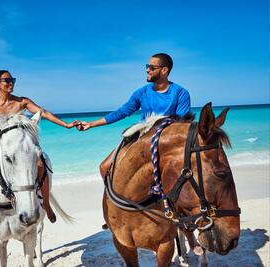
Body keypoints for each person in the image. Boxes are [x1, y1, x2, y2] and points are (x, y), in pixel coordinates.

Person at [77, 53, 203, 255]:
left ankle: (185, 229)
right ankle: (111, 213)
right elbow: (122, 111)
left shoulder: (180, 93)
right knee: (104, 166)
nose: (147, 70)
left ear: (164, 70)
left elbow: (183, 123)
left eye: (151, 67)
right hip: (141, 138)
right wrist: (92, 124)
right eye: (147, 66)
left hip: (166, 142)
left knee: (179, 178)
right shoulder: (142, 92)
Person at [0, 70, 80, 235]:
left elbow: (43, 113)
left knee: (41, 165)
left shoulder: (22, 102)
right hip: (0, 145)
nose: (11, 83)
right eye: (7, 80)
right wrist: (0, 148)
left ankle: (45, 202)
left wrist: (65, 125)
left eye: (12, 80)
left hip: (22, 145)